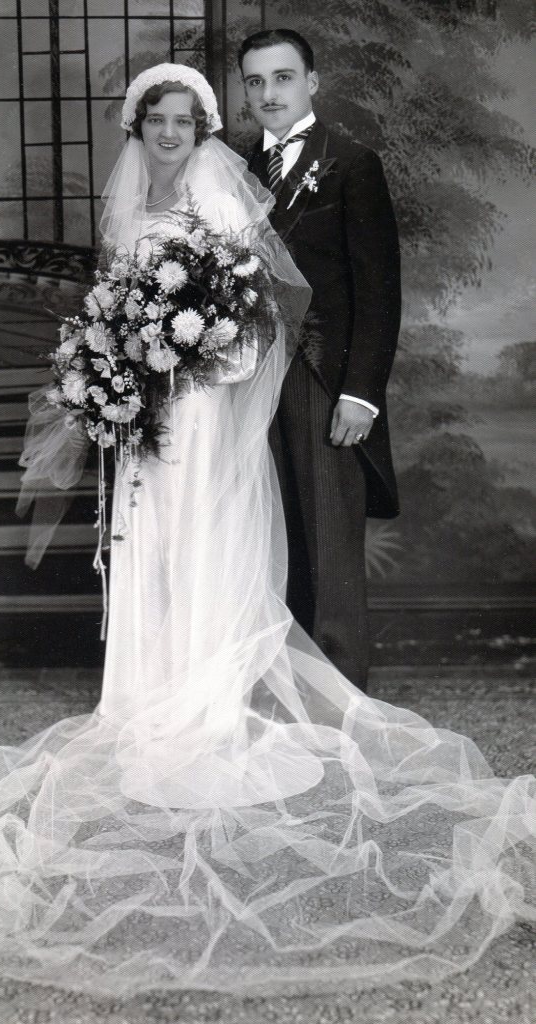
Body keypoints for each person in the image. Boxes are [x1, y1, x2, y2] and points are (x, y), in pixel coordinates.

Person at [0, 64, 533, 1005]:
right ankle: (144, 695)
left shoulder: (223, 198)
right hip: (142, 418)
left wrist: (190, 355)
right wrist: (113, 367)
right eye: (157, 119)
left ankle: (210, 696)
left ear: (204, 127)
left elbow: (260, 321)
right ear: (138, 125)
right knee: (146, 546)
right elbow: (111, 301)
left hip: (198, 412)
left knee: (203, 537)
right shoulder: (126, 206)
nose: (170, 133)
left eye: (186, 119)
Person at [240, 28, 401, 692]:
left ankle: (345, 707)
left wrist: (360, 392)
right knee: (273, 541)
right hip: (251, 381)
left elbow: (379, 287)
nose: (269, 93)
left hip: (324, 379)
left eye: (283, 78)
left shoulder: (352, 163)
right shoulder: (236, 167)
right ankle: (291, 696)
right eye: (255, 81)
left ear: (312, 82)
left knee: (331, 546)